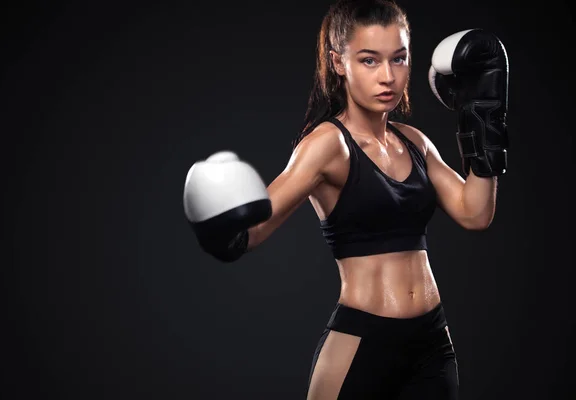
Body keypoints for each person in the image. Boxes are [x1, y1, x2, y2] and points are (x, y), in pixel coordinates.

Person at [183, 0, 509, 398]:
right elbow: (249, 232)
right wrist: (215, 217)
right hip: (364, 343)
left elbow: (475, 212)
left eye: (399, 59)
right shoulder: (326, 144)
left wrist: (485, 118)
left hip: (432, 342)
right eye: (370, 60)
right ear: (339, 63)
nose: (388, 76)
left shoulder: (415, 142)